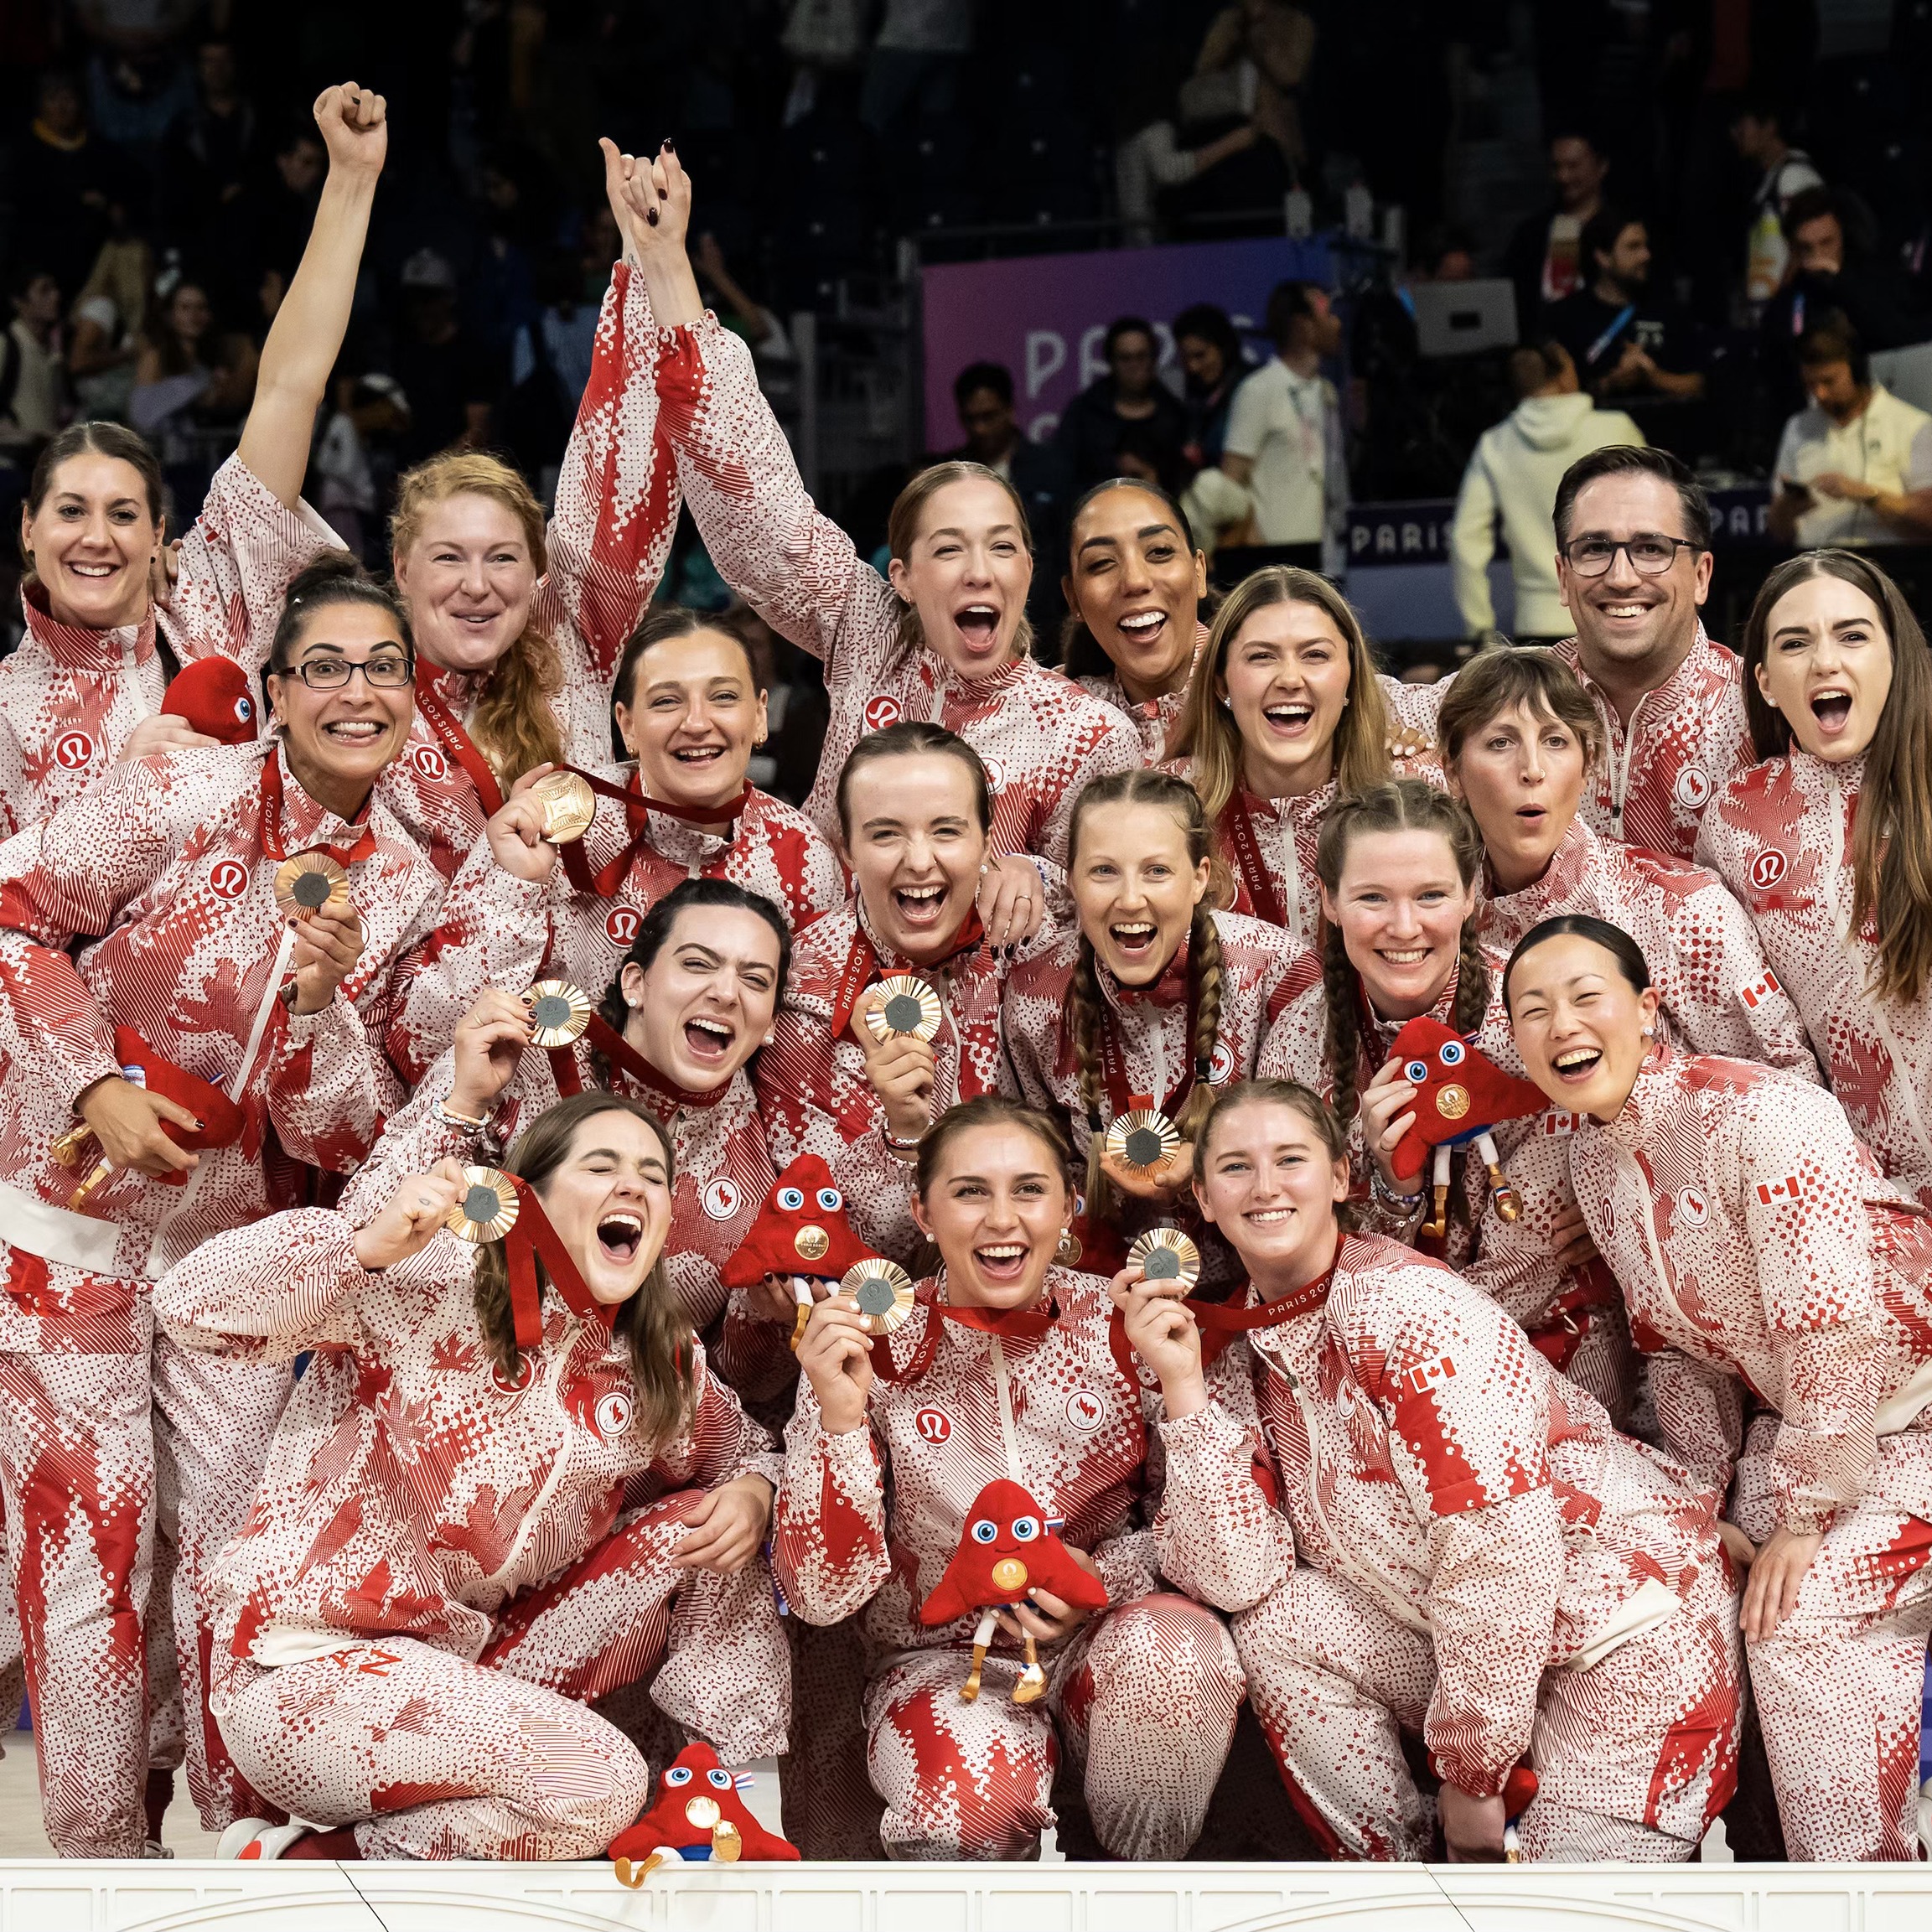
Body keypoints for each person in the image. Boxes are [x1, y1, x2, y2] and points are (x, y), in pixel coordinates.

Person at [0, 557, 447, 1853]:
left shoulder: (406, 885)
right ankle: (100, 1861)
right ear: (276, 689)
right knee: (86, 1560)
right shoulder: (179, 788)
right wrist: (90, 1084)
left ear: (411, 696)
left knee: (241, 1554)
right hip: (64, 1223)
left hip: (228, 1259)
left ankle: (252, 1845)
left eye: (381, 668)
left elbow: (350, 1133)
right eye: (326, 666)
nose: (355, 691)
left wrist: (317, 1009)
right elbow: (14, 917)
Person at [152, 1079, 788, 1861]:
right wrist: (360, 1247)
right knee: (602, 1785)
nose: (633, 1185)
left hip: (465, 1669)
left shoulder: (657, 1360)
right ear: (530, 1195)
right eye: (601, 1166)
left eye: (652, 1175)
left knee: (706, 1527)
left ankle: (733, 1794)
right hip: (304, 1669)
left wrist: (756, 1491)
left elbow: (748, 1454)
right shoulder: (434, 1280)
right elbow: (187, 1306)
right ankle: (300, 1865)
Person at [1119, 1078, 1743, 1861]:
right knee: (1280, 1624)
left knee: (1561, 1920)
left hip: (1628, 1637)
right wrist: (1182, 1391)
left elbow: (1500, 1555)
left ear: (1343, 1177)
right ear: (1205, 1200)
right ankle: (1397, 1882)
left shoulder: (1407, 1312)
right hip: (1483, 1650)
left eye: (1290, 1158)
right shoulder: (1234, 1347)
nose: (1266, 1185)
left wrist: (1472, 1778)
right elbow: (1239, 1576)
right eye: (1237, 1167)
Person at [1504, 915, 1932, 1862]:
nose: (1562, 1024)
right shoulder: (1593, 1160)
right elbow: (1676, 1351)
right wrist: (1702, 1498)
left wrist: (1806, 1514)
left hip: (1908, 1416)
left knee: (1796, 1620)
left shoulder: (1763, 1115)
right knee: (1703, 1582)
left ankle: (1864, 1896)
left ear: (1647, 1005)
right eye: (1533, 1011)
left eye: (1585, 996)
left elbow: (1830, 1324)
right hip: (1820, 1431)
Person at [634, 144, 1137, 894]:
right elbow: (756, 496)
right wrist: (668, 265)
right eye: (948, 548)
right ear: (899, 576)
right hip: (815, 985)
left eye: (1002, 546)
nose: (978, 569)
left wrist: (1033, 876)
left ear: (1027, 570)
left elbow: (1115, 903)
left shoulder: (1088, 734)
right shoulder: (867, 633)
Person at [776, 1095, 1244, 1858]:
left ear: (1068, 1205)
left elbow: (1226, 1565)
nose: (1002, 1219)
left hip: (1108, 1639)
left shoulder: (1128, 1324)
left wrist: (1102, 1580)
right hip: (939, 1665)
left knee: (1177, 1657)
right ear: (922, 1211)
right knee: (968, 1811)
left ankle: (1139, 1894)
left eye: (1028, 1189)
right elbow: (820, 1596)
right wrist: (835, 1418)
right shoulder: (867, 1344)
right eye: (969, 1191)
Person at [1, 81, 385, 841]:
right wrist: (119, 790)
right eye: (70, 510)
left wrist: (349, 180)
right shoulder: (8, 709)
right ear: (27, 529)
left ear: (159, 532)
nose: (96, 536)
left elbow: (287, 386)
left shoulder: (214, 582)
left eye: (123, 513)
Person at [1252, 779, 1629, 1411]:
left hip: (1548, 1342)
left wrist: (1412, 1350)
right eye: (1372, 897)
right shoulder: (1297, 1037)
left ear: (1471, 894)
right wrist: (1391, 1185)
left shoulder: (1536, 1016)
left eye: (1430, 895)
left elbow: (1532, 1258)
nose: (1404, 926)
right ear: (1328, 899)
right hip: (1375, 1355)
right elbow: (1305, 1250)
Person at [376, 140, 686, 878]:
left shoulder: (569, 641)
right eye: (448, 557)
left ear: (541, 571)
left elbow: (625, 460)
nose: (477, 584)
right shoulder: (361, 697)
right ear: (400, 570)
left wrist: (647, 262)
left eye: (502, 557)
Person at [391, 605, 840, 1078]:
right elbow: (419, 1044)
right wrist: (515, 889)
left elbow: (796, 1070)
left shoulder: (802, 857)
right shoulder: (551, 824)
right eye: (667, 701)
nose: (697, 722)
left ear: (760, 715)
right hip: (550, 1139)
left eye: (723, 697)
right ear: (626, 726)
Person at [407, 883, 790, 1364]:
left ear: (771, 1021)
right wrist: (464, 1102)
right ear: (635, 984)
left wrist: (764, 1318)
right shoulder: (517, 1055)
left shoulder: (757, 1171)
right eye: (697, 964)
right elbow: (378, 1224)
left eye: (755, 980)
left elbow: (723, 1382)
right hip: (437, 1363)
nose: (727, 993)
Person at [752, 723, 1041, 1272]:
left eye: (946, 831)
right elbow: (823, 1245)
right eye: (885, 834)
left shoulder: (1039, 944)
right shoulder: (800, 993)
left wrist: (1044, 871)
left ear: (986, 839)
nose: (918, 860)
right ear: (847, 849)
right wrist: (902, 1135)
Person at [1696, 552, 1932, 1208]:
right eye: (1795, 643)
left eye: (1852, 635)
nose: (1825, 661)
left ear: (1894, 657)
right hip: (1863, 1206)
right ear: (1767, 682)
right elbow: (1753, 1028)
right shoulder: (1735, 820)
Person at [1005, 769, 1297, 1269]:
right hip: (1103, 1287)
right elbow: (1036, 1165)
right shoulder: (1036, 993)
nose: (1130, 898)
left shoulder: (1273, 970)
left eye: (1157, 871)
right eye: (1103, 871)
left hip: (1259, 1280)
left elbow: (1307, 1159)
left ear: (1200, 878)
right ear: (1070, 880)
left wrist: (1208, 1168)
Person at [1164, 566, 1411, 962]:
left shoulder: (1414, 796)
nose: (1290, 678)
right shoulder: (1165, 809)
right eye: (1262, 657)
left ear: (1350, 679)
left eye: (1315, 655)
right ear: (1222, 683)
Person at [1540, 444, 1750, 859]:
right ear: (1564, 578)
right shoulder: (1510, 700)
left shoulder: (1763, 709)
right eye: (1595, 548)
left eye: (1651, 548)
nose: (1621, 578)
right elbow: (1379, 704)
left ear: (1701, 575)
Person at [1450, 341, 1644, 645]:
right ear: (1566, 375)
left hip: (1536, 622)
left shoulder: (1495, 443)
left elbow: (1465, 540)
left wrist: (1480, 629)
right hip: (1613, 611)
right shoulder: (1616, 430)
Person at [1058, 476, 1209, 761]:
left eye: (1159, 552)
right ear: (1073, 599)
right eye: (1102, 563)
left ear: (1198, 572)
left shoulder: (1261, 689)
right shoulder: (1054, 717)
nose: (1135, 581)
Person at [1766, 315, 1932, 547]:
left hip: (1888, 567)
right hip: (1814, 566)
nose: (1820, 394)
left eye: (1829, 381)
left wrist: (1868, 495)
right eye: (1810, 385)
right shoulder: (1797, 427)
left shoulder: (1912, 425)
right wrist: (1784, 511)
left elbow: (1928, 520)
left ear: (1857, 370)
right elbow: (1779, 532)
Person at [945, 360, 1072, 638]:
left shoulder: (1053, 467)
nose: (980, 428)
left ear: (1010, 410)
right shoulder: (950, 476)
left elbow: (1065, 548)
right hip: (971, 613)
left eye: (989, 416)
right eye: (971, 419)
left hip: (1044, 619)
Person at [1220, 281, 1344, 563]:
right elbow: (1230, 482)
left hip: (1327, 553)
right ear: (1303, 325)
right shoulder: (1258, 390)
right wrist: (1254, 541)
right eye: (1328, 314)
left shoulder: (1328, 393)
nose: (1338, 323)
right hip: (1274, 557)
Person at [1546, 213, 1705, 410]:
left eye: (1645, 246)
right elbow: (1549, 394)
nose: (1646, 255)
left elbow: (1697, 384)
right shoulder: (1566, 316)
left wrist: (1651, 377)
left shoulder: (1667, 311)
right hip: (1596, 434)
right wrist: (1609, 384)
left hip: (1662, 432)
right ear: (1603, 257)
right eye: (1633, 247)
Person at [1053, 317, 1190, 495]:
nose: (1134, 366)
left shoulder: (1175, 416)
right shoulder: (1085, 413)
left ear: (1154, 359)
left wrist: (1153, 482)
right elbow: (1062, 477)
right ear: (1112, 362)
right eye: (1125, 358)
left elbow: (1184, 485)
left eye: (1141, 356)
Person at [1502, 131, 1611, 330]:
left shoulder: (1626, 231)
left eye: (1573, 166)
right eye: (1556, 167)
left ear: (1601, 166)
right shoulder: (1532, 233)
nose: (1563, 176)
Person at [1729, 96, 1824, 306]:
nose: (1734, 134)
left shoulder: (1795, 176)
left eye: (1741, 125)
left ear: (1769, 126)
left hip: (1791, 309)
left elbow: (1809, 246)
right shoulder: (1765, 183)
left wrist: (1782, 303)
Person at [1173, 303, 1253, 473]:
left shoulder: (1252, 389)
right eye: (1185, 357)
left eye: (1200, 355)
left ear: (1224, 349)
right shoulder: (1187, 395)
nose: (1193, 366)